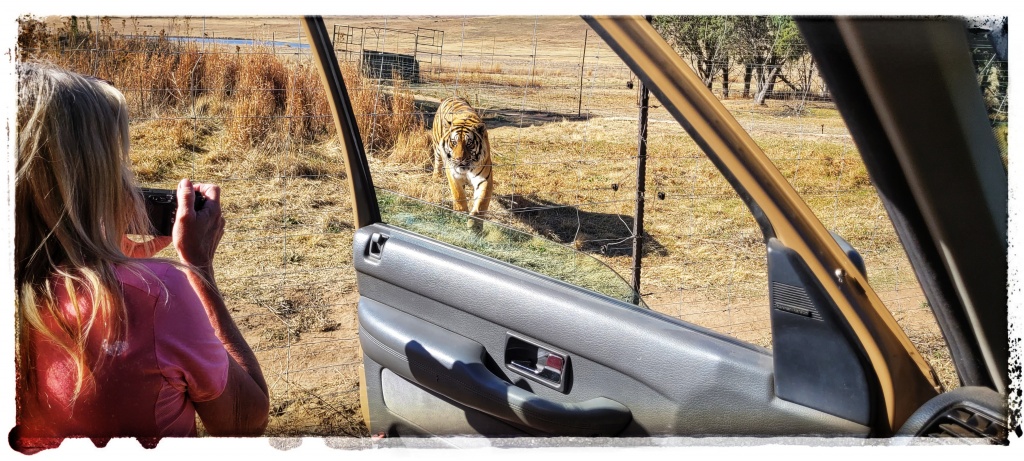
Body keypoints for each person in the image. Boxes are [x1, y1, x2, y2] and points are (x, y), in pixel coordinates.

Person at [11, 62, 269, 453]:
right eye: (117, 164)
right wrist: (197, 267)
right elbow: (243, 424)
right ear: (91, 181)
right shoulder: (156, 298)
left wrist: (114, 254)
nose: (127, 181)